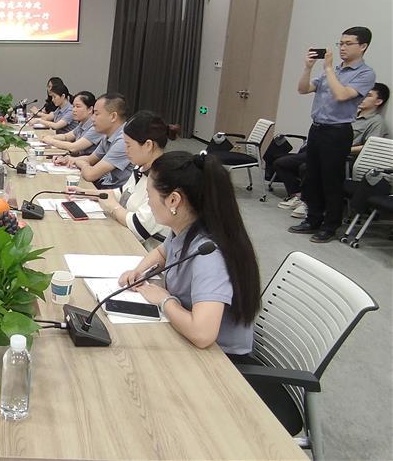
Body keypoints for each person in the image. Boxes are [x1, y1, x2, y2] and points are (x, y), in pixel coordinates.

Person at [117, 151, 260, 357]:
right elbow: (163, 252)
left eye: (149, 195)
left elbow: (202, 335)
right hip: (189, 339)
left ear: (173, 200)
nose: (148, 202)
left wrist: (164, 300)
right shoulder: (187, 227)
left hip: (222, 360)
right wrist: (138, 271)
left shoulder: (209, 256)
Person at [290, 26, 376, 243]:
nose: (342, 48)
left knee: (331, 180)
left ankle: (330, 225)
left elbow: (341, 95)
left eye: (348, 44)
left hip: (337, 132)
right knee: (312, 177)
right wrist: (308, 68)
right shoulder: (333, 70)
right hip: (317, 128)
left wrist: (328, 69)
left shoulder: (365, 73)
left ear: (363, 46)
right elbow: (303, 89)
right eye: (341, 43)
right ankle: (313, 218)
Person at [276, 82, 389, 218]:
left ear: (378, 101)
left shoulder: (376, 122)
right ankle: (298, 196)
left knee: (308, 167)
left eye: (368, 95)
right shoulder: (349, 115)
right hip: (325, 150)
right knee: (282, 163)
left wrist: (343, 149)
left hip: (344, 158)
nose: (362, 97)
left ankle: (309, 204)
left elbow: (369, 147)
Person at [97, 110, 176, 248]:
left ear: (148, 145)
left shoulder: (165, 179)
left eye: (128, 145)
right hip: (126, 238)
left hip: (144, 250)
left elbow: (139, 227)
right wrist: (86, 193)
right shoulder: (141, 167)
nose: (126, 150)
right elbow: (121, 193)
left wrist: (113, 207)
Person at [54, 92, 133, 189]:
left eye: (96, 114)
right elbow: (90, 159)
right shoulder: (107, 136)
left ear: (113, 117)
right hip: (105, 185)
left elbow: (90, 175)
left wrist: (82, 163)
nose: (92, 118)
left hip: (116, 193)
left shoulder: (123, 140)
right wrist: (69, 160)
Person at [40, 91, 101, 155]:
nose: (74, 110)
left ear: (90, 109)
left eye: (78, 106)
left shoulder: (95, 128)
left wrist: (51, 141)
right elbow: (66, 137)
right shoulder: (82, 124)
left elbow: (74, 147)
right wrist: (50, 137)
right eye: (73, 106)